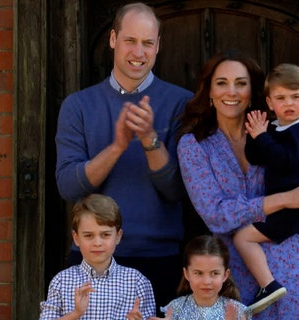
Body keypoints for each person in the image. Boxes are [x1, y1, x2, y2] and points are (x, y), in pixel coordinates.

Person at [176, 49, 299, 319]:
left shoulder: (277, 134)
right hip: (235, 277)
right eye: (222, 83)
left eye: (241, 83)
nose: (231, 91)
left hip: (293, 270)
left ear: (252, 92)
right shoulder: (194, 146)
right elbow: (216, 215)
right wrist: (286, 199)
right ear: (209, 91)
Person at [54, 2, 193, 315]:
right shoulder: (77, 106)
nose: (138, 53)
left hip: (159, 259)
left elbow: (177, 191)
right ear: (113, 39)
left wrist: (149, 140)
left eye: (147, 43)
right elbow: (68, 187)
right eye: (130, 41)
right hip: (91, 260)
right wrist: (117, 146)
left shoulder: (181, 103)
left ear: (158, 45)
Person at [233, 63, 299, 313]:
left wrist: (263, 137)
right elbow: (256, 157)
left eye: (296, 97)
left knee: (242, 237)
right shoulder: (278, 128)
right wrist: (255, 134)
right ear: (270, 103)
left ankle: (269, 285)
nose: (289, 103)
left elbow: (285, 160)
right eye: (281, 98)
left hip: (291, 211)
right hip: (280, 207)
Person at [39, 194, 156, 320]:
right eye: (88, 235)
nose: (97, 243)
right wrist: (76, 313)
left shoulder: (137, 282)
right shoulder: (61, 282)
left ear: (118, 236)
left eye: (105, 234)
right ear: (76, 238)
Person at [151, 235, 251, 320]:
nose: (206, 281)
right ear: (186, 274)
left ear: (225, 275)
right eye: (199, 273)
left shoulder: (238, 311)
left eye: (214, 273)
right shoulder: (175, 309)